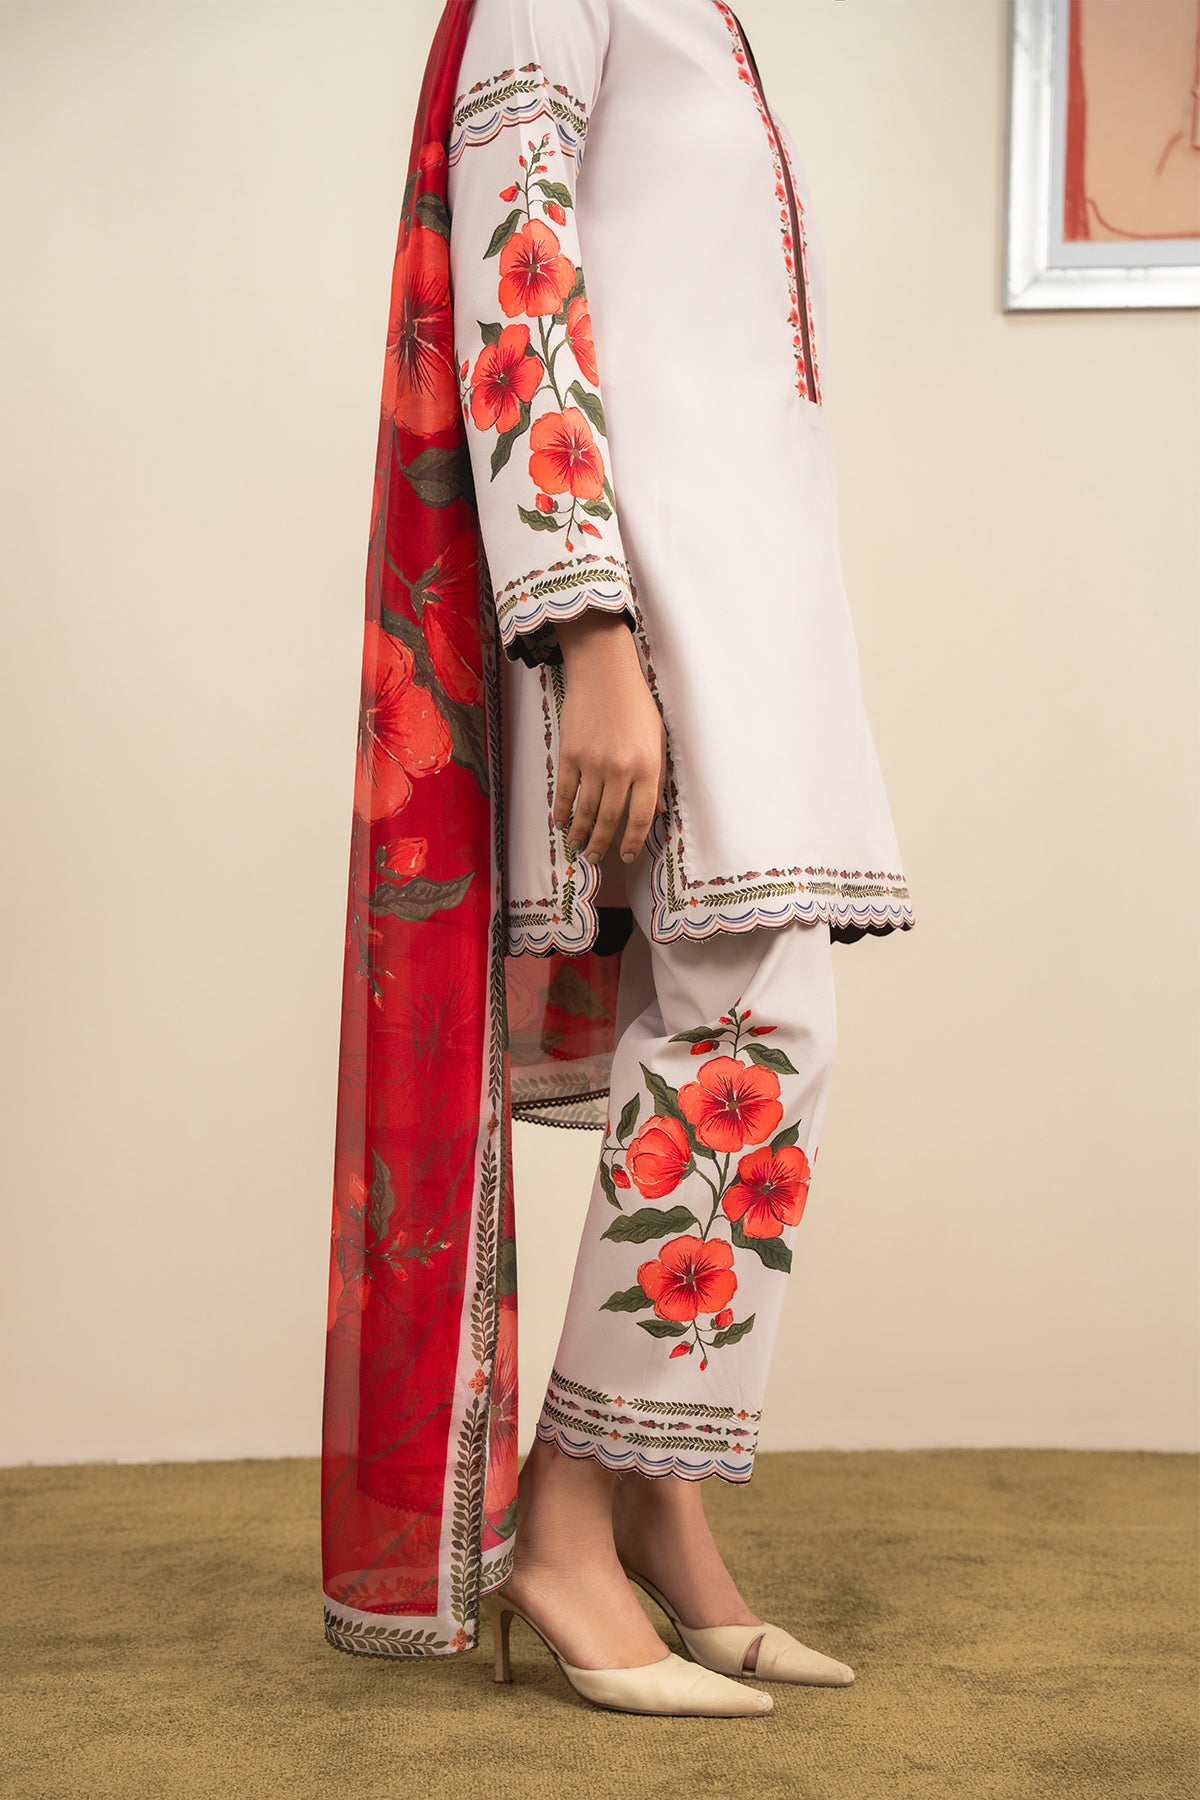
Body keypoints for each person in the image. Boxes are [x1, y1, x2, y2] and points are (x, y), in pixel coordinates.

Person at [321, 0, 914, 1719]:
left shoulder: (702, 17)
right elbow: (520, 290)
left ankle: (659, 1509)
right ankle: (568, 1523)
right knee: (746, 1025)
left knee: (733, 1008)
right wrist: (586, 629)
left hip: (757, 593)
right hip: (645, 605)